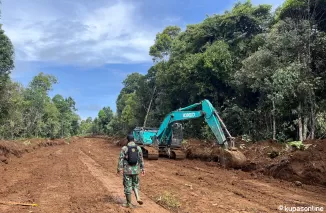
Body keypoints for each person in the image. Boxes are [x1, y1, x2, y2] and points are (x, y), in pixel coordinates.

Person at [117, 134, 145, 208]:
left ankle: (128, 203)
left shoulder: (124, 148)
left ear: (127, 140)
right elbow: (141, 159)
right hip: (136, 170)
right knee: (135, 184)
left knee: (128, 186)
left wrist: (119, 169)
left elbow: (121, 159)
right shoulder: (138, 148)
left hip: (127, 171)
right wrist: (142, 169)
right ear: (134, 140)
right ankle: (138, 197)